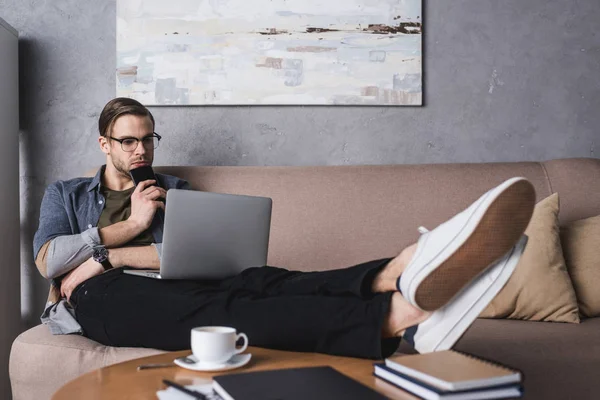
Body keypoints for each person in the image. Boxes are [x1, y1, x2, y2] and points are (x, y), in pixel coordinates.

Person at [33, 98, 535, 359]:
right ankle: (396, 316)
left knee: (266, 280)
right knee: (222, 311)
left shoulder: (172, 186)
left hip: (146, 277)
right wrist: (130, 231)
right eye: (127, 142)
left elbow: (182, 258)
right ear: (104, 144)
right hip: (101, 299)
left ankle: (398, 268)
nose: (141, 151)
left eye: (148, 139)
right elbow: (50, 261)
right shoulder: (67, 194)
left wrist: (104, 257)